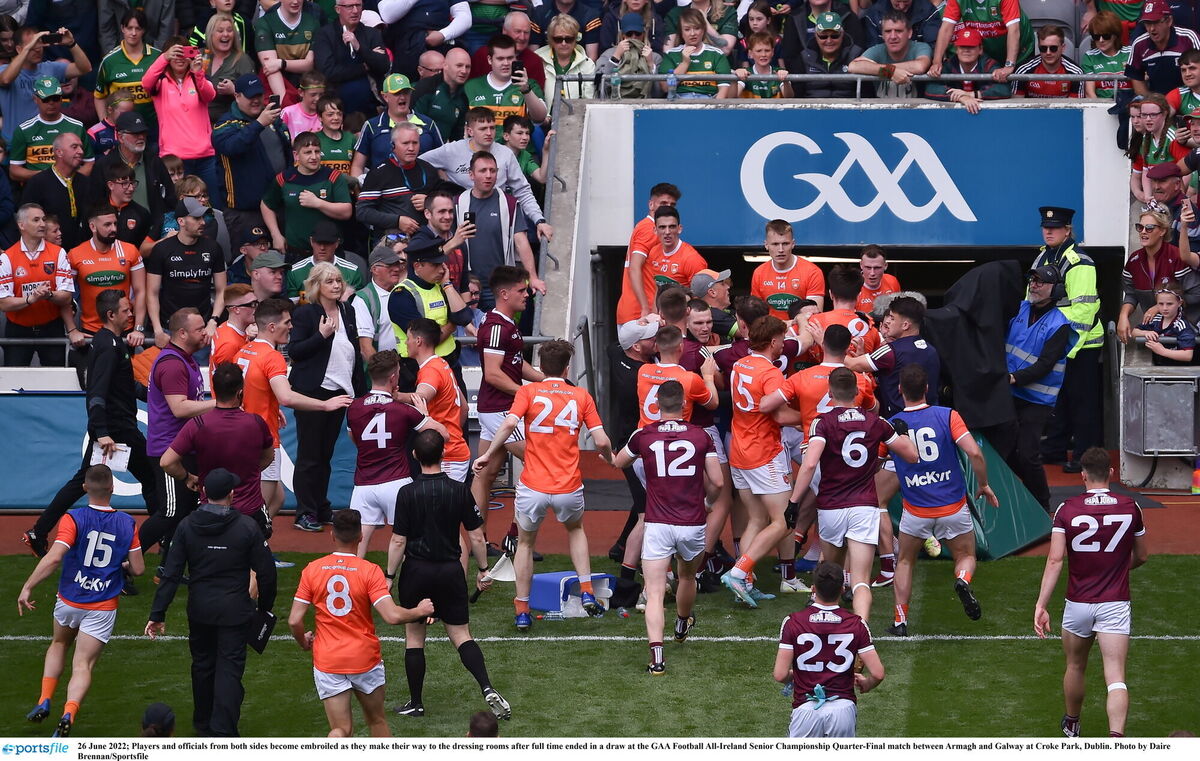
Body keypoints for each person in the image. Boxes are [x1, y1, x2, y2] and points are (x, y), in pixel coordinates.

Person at [474, 339, 613, 631]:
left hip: (533, 484)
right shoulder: (580, 395)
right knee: (576, 531)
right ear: (567, 367)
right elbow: (600, 440)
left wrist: (487, 454)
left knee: (525, 543)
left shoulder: (528, 391)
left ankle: (522, 610)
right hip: (568, 485)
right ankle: (587, 590)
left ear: (540, 367)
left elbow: (509, 425)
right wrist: (611, 459)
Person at [381, 428, 510, 720]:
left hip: (416, 572)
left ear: (415, 455)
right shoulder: (459, 491)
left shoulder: (407, 493)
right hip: (451, 572)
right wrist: (483, 570)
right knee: (462, 635)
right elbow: (476, 537)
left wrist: (389, 577)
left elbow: (398, 541)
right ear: (443, 455)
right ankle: (487, 686)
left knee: (414, 638)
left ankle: (416, 702)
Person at [145, 468, 277, 738]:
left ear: (204, 494)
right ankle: (223, 731)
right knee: (229, 670)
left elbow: (170, 573)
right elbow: (267, 573)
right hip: (235, 612)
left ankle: (203, 725)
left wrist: (158, 613)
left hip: (200, 609)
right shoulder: (247, 527)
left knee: (202, 666)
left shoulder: (187, 525)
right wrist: (265, 608)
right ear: (231, 494)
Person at [24, 291, 156, 558]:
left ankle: (39, 531)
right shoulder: (109, 346)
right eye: (126, 311)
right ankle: (162, 538)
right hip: (118, 430)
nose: (131, 314)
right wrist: (104, 432)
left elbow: (122, 385)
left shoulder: (111, 343)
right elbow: (97, 391)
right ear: (111, 315)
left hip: (113, 427)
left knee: (81, 481)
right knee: (155, 480)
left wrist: (152, 396)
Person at [19, 464, 143, 738]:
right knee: (83, 665)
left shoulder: (72, 518)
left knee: (59, 643)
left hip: (69, 600)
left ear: (85, 488)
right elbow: (139, 569)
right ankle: (69, 712)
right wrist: (119, 565)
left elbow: (53, 558)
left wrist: (28, 586)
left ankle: (44, 700)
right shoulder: (127, 522)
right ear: (113, 488)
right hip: (102, 606)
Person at [1034, 447, 1148, 739]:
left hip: (1078, 604)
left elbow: (1055, 560)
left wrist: (1042, 604)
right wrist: (1119, 568)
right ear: (1111, 473)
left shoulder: (1067, 510)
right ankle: (1116, 740)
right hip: (1115, 602)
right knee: (1116, 677)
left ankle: (1072, 723)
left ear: (1082, 475)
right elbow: (1142, 556)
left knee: (1074, 665)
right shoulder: (1130, 507)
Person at [289, 510, 434, 738]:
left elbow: (294, 620)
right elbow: (392, 616)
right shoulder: (370, 571)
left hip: (329, 661)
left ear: (332, 536)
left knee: (340, 730)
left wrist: (302, 641)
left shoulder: (312, 570)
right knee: (376, 721)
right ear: (360, 537)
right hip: (364, 658)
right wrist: (420, 610)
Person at [789, 368, 918, 623]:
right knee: (860, 581)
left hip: (831, 507)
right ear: (857, 392)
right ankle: (861, 635)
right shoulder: (876, 422)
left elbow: (811, 463)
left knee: (829, 570)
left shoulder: (822, 422)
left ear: (830, 392)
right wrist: (902, 432)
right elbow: (912, 456)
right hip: (863, 506)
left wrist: (794, 501)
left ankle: (822, 619)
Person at [612, 380, 722, 675]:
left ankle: (657, 658)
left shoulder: (643, 435)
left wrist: (603, 453)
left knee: (656, 591)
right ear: (685, 405)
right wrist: (708, 502)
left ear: (656, 405)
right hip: (693, 522)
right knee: (687, 577)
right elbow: (719, 482)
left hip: (658, 523)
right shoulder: (700, 436)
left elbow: (619, 461)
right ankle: (682, 622)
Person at [887, 365, 998, 637]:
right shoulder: (947, 416)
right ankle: (962, 580)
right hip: (953, 507)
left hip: (915, 509)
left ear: (900, 390)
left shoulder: (892, 425)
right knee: (966, 555)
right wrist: (983, 485)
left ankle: (900, 621)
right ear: (927, 389)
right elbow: (975, 453)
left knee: (904, 562)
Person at [236, 298, 353, 529]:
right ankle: (250, 550)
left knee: (277, 499)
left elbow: (247, 389)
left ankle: (255, 544)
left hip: (246, 431)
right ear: (271, 327)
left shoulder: (246, 350)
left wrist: (272, 408)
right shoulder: (272, 356)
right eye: (287, 322)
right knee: (258, 503)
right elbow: (287, 397)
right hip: (263, 437)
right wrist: (325, 405)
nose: (291, 327)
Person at [287, 262, 368, 532]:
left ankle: (321, 507)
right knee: (310, 455)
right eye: (329, 281)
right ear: (316, 286)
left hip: (340, 392)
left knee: (325, 455)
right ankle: (305, 512)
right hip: (312, 392)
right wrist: (321, 336)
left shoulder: (348, 310)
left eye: (338, 280)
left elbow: (354, 353)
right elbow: (295, 351)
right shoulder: (306, 314)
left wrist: (359, 392)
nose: (336, 285)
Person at [472, 266, 545, 552]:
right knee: (539, 464)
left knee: (484, 474)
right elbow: (492, 374)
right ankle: (516, 536)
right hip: (500, 410)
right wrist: (530, 391)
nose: (527, 295)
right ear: (504, 293)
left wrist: (550, 381)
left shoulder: (508, 324)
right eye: (521, 290)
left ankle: (479, 540)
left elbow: (516, 365)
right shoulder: (495, 327)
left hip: (500, 408)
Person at [161, 363, 276, 543]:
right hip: (250, 512)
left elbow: (166, 462)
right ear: (240, 392)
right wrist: (249, 472)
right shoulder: (256, 423)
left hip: (210, 511)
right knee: (253, 566)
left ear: (214, 390)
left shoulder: (197, 424)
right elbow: (269, 456)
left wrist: (187, 477)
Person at [347, 350, 446, 556]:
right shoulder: (403, 410)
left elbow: (354, 438)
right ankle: (397, 580)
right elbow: (442, 435)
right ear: (393, 377)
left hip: (363, 484)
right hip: (396, 482)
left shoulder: (354, 408)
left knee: (357, 541)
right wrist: (424, 415)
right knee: (408, 539)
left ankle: (354, 586)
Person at [1031, 206, 1104, 475]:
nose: (1049, 231)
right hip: (1056, 342)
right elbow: (1034, 297)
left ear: (1068, 230)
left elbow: (1084, 310)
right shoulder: (1042, 257)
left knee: (1082, 402)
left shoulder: (1080, 262)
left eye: (1056, 227)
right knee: (1058, 398)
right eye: (1046, 227)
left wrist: (1065, 345)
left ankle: (1085, 456)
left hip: (1081, 343)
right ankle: (1055, 448)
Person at [774, 561, 884, 738]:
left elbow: (780, 675)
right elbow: (878, 673)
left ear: (813, 589)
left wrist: (797, 674)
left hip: (806, 708)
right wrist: (867, 684)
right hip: (842, 709)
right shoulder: (857, 624)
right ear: (842, 590)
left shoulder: (793, 621)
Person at [138, 308, 215, 564]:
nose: (205, 333)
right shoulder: (172, 364)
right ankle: (121, 561)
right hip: (169, 451)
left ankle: (167, 567)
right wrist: (220, 404)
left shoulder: (186, 358)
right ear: (182, 333)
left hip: (183, 448)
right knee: (170, 512)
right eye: (199, 329)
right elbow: (179, 408)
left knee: (183, 511)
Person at [1004, 266, 1079, 512]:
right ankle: (1026, 494)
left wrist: (1013, 378)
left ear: (1055, 289)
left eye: (1041, 282)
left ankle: (1042, 505)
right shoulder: (1019, 308)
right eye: (1032, 280)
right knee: (1003, 450)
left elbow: (1046, 364)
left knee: (1027, 454)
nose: (1034, 285)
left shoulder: (1060, 324)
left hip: (1037, 400)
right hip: (1010, 393)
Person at [420, 107, 552, 237]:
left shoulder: (505, 154)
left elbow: (522, 191)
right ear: (470, 131)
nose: (489, 133)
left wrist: (539, 220)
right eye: (483, 129)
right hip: (459, 221)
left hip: (496, 219)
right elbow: (417, 163)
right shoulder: (452, 150)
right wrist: (431, 193)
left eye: (492, 128)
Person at [455, 151, 546, 307]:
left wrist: (533, 277)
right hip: (468, 286)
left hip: (501, 286)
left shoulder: (509, 204)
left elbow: (521, 242)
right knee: (470, 331)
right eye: (483, 171)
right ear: (471, 175)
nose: (489, 175)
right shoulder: (457, 203)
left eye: (493, 170)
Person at [211, 74, 290, 247]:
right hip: (244, 212)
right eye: (250, 97)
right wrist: (259, 124)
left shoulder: (272, 120)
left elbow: (286, 156)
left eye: (259, 96)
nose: (256, 101)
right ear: (237, 96)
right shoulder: (225, 124)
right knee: (249, 267)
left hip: (278, 206)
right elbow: (231, 147)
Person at [0, 203, 75, 367]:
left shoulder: (58, 253)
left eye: (43, 219)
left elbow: (67, 296)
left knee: (56, 381)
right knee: (14, 384)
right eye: (36, 220)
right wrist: (30, 298)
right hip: (18, 330)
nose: (42, 224)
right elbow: (3, 303)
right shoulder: (7, 257)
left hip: (51, 327)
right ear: (22, 225)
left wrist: (48, 295)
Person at [145, 197, 227, 348]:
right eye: (196, 218)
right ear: (181, 221)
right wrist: (157, 330)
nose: (202, 222)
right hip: (169, 329)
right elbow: (152, 292)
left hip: (203, 329)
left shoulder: (213, 248)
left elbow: (222, 290)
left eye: (203, 217)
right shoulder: (162, 249)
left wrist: (213, 321)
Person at [143, 39, 218, 196]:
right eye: (175, 53)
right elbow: (146, 83)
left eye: (183, 53)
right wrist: (163, 58)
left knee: (211, 205)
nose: (179, 58)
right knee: (180, 209)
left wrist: (198, 72)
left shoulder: (199, 77)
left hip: (205, 157)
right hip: (174, 160)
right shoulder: (160, 81)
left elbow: (210, 95)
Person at [261, 132, 353, 260]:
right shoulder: (284, 179)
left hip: (329, 253)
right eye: (308, 152)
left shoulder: (333, 177)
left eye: (317, 151)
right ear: (296, 155)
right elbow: (266, 204)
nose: (314, 157)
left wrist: (318, 203)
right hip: (296, 253)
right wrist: (275, 234)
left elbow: (346, 211)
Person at [844, 296, 939, 419]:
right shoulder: (931, 350)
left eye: (893, 318)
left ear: (905, 325)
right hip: (931, 419)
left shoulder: (891, 350)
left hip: (900, 424)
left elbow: (852, 364)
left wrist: (826, 343)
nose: (888, 322)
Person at [65, 205, 146, 346]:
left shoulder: (130, 251)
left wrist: (138, 328)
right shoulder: (75, 254)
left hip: (125, 330)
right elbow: (65, 295)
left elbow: (141, 291)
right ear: (93, 227)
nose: (113, 229)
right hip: (90, 331)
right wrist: (72, 330)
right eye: (107, 225)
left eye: (115, 224)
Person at [403, 317, 472, 482]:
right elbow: (464, 408)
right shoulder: (442, 364)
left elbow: (420, 397)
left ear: (418, 341)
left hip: (447, 455)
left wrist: (394, 396)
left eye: (408, 338)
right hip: (454, 451)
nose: (405, 343)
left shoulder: (430, 371)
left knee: (443, 507)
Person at [389, 240, 472, 373]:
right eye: (435, 265)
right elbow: (425, 341)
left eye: (442, 263)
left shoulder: (442, 286)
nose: (441, 269)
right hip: (418, 369)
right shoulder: (402, 295)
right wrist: (452, 324)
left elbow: (464, 317)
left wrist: (448, 284)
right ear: (417, 266)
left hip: (449, 364)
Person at [0, 28, 92, 143]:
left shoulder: (50, 68)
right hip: (13, 142)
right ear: (19, 49)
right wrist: (27, 48)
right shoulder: (4, 70)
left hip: (43, 143)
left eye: (39, 44)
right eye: (32, 46)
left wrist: (71, 44)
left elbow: (85, 68)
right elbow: (5, 79)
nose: (37, 50)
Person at [95, 111, 175, 236]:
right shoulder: (104, 165)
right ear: (120, 137)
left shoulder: (154, 162)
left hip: (152, 234)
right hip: (118, 235)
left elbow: (171, 199)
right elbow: (95, 204)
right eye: (135, 133)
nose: (141, 137)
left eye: (143, 133)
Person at [355, 123, 440, 242]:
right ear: (393, 145)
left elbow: (444, 203)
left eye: (415, 143)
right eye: (405, 143)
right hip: (391, 243)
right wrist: (397, 221)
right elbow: (362, 212)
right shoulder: (379, 173)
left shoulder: (429, 170)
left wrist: (429, 201)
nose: (411, 148)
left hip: (425, 241)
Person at [349, 73, 443, 180]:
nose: (402, 97)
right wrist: (361, 191)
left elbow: (442, 162)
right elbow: (357, 166)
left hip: (423, 190)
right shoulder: (371, 126)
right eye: (397, 93)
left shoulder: (428, 124)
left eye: (406, 92)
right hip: (383, 191)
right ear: (385, 96)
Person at [311, 0, 390, 119]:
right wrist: (364, 67)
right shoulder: (325, 34)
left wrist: (359, 47)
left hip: (371, 105)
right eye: (349, 6)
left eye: (358, 5)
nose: (355, 11)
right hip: (337, 107)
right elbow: (328, 72)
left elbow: (383, 65)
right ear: (338, 9)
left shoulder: (371, 34)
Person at [8, 76, 95, 183]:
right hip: (38, 188)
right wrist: (47, 177)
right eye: (46, 99)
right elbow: (14, 171)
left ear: (61, 98)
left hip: (71, 187)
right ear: (35, 99)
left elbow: (89, 163)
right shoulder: (24, 130)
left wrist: (69, 180)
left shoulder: (77, 126)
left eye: (55, 98)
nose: (51, 103)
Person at [616, 182, 680, 323]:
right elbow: (635, 267)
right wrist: (645, 307)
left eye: (672, 205)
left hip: (636, 311)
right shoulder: (649, 229)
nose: (668, 208)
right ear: (651, 205)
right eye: (663, 203)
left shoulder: (646, 226)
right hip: (640, 313)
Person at [19, 132, 96, 250]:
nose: (80, 151)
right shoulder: (38, 183)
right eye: (74, 147)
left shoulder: (87, 183)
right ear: (59, 152)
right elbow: (26, 222)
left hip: (83, 254)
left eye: (81, 147)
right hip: (47, 255)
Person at [928, 0, 1033, 83]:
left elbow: (1013, 30)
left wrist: (1009, 65)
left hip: (1020, 51)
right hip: (989, 49)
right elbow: (946, 29)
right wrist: (937, 62)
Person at [93, 10, 161, 131]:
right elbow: (99, 96)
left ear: (144, 30)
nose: (133, 33)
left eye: (138, 28)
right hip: (121, 130)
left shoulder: (158, 57)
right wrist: (105, 125)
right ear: (122, 28)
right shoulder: (109, 61)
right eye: (129, 28)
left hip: (154, 128)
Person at [464, 34, 549, 126]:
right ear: (489, 59)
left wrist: (526, 91)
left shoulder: (529, 84)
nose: (506, 63)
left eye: (510, 58)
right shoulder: (471, 86)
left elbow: (540, 118)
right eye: (500, 59)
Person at [924, 27, 1013, 113]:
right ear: (956, 49)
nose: (966, 50)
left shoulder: (988, 64)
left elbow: (1004, 89)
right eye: (962, 46)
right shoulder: (949, 65)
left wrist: (972, 94)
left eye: (971, 46)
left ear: (980, 49)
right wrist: (961, 97)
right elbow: (931, 88)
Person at [750, 218, 825, 319]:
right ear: (766, 245)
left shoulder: (812, 272)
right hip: (770, 332)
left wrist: (789, 326)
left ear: (793, 244)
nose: (780, 249)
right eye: (775, 244)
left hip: (800, 332)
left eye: (785, 244)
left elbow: (814, 316)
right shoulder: (759, 273)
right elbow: (755, 316)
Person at [849, 10, 931, 98]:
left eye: (898, 31)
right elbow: (853, 66)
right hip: (882, 108)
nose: (893, 36)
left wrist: (883, 69)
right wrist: (891, 72)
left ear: (909, 33)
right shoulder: (877, 49)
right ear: (882, 34)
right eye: (888, 31)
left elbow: (920, 66)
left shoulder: (920, 47)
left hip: (916, 108)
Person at [1126, 1, 1200, 96]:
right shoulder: (1139, 44)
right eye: (1147, 23)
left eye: (1156, 22)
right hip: (1157, 102)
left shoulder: (1189, 37)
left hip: (1189, 99)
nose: (1152, 29)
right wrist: (1153, 99)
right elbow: (1135, 76)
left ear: (1169, 21)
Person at [658, 7, 734, 99]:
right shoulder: (671, 54)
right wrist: (685, 63)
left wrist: (714, 108)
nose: (692, 33)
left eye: (697, 28)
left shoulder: (717, 54)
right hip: (680, 103)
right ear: (681, 32)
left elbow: (723, 89)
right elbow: (666, 88)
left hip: (709, 102)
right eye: (687, 29)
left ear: (703, 30)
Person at [254, 0, 321, 100]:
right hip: (277, 85)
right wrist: (284, 101)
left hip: (306, 85)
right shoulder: (265, 23)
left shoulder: (313, 23)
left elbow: (309, 64)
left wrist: (282, 63)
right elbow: (270, 67)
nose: (295, 2)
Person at [286, 220, 367, 302]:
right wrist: (307, 298)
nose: (322, 248)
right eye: (318, 242)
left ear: (336, 243)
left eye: (327, 243)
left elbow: (359, 305)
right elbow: (293, 306)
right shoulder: (295, 272)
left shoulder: (352, 272)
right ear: (311, 241)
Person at [468, 11, 548, 88]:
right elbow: (470, 89)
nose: (522, 37)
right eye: (518, 31)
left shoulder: (534, 61)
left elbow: (538, 97)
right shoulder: (484, 54)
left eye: (526, 32)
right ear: (505, 31)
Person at [354, 245, 407, 360]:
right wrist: (385, 374)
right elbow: (365, 348)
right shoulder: (363, 300)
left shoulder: (405, 291)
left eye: (397, 264)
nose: (397, 269)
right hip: (383, 371)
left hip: (408, 367)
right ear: (374, 269)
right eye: (390, 265)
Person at [201, 11, 256, 124]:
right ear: (211, 34)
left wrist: (233, 91)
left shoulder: (243, 60)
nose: (225, 34)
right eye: (220, 31)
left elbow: (255, 101)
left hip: (227, 125)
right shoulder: (200, 56)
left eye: (230, 31)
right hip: (197, 121)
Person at [794, 12, 862, 99]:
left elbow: (867, 94)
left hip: (848, 109)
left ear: (842, 34)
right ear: (816, 35)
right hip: (812, 109)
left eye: (834, 36)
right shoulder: (804, 58)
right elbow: (797, 96)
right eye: (823, 36)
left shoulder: (857, 55)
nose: (829, 41)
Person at [642, 205, 706, 294]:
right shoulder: (653, 252)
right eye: (662, 227)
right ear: (655, 230)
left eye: (672, 227)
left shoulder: (692, 259)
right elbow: (655, 290)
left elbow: (700, 298)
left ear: (679, 229)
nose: (667, 232)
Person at [535, 13, 597, 104]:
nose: (564, 43)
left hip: (576, 116)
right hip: (544, 117)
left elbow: (589, 100)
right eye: (558, 39)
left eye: (569, 39)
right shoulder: (537, 60)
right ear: (551, 40)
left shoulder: (588, 65)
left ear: (576, 39)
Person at [413, 47, 472, 140]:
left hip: (442, 151)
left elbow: (457, 136)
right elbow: (412, 123)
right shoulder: (426, 87)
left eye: (468, 67)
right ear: (445, 65)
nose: (464, 71)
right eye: (459, 65)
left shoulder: (463, 98)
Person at [1132, 281, 1196, 364]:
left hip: (1180, 371)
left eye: (1169, 304)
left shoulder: (1182, 325)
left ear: (1179, 303)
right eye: (1161, 304)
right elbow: (1134, 332)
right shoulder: (1156, 320)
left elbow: (1188, 355)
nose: (1165, 308)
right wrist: (1145, 333)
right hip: (1159, 368)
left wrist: (1162, 351)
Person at [1014, 25, 1084, 98]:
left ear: (1063, 48)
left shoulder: (1076, 73)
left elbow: (1074, 107)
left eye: (1053, 48)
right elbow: (1016, 106)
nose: (1048, 52)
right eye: (1043, 48)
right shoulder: (1023, 71)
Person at [1083, 12, 1133, 101]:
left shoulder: (1130, 52)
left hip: (1130, 105)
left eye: (1106, 36)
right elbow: (1090, 93)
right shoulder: (1089, 56)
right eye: (1096, 37)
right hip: (1101, 105)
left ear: (1115, 35)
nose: (1101, 40)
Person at [735, 31, 793, 99]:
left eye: (767, 50)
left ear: (772, 52)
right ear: (750, 54)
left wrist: (785, 81)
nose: (763, 55)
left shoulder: (779, 72)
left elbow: (789, 96)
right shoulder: (746, 73)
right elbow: (732, 97)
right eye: (759, 51)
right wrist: (735, 78)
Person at [690, 269, 737, 343]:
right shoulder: (710, 314)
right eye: (722, 284)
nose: (728, 287)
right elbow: (749, 332)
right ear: (712, 292)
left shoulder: (725, 311)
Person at [315, 97, 356, 174]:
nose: (336, 118)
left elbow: (356, 168)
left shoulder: (351, 139)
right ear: (320, 117)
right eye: (330, 115)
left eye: (339, 114)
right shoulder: (314, 139)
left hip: (346, 185)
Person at [856, 245, 901, 315]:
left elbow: (898, 313)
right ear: (861, 265)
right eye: (868, 267)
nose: (872, 273)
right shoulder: (852, 289)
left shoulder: (892, 281)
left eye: (877, 268)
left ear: (885, 266)